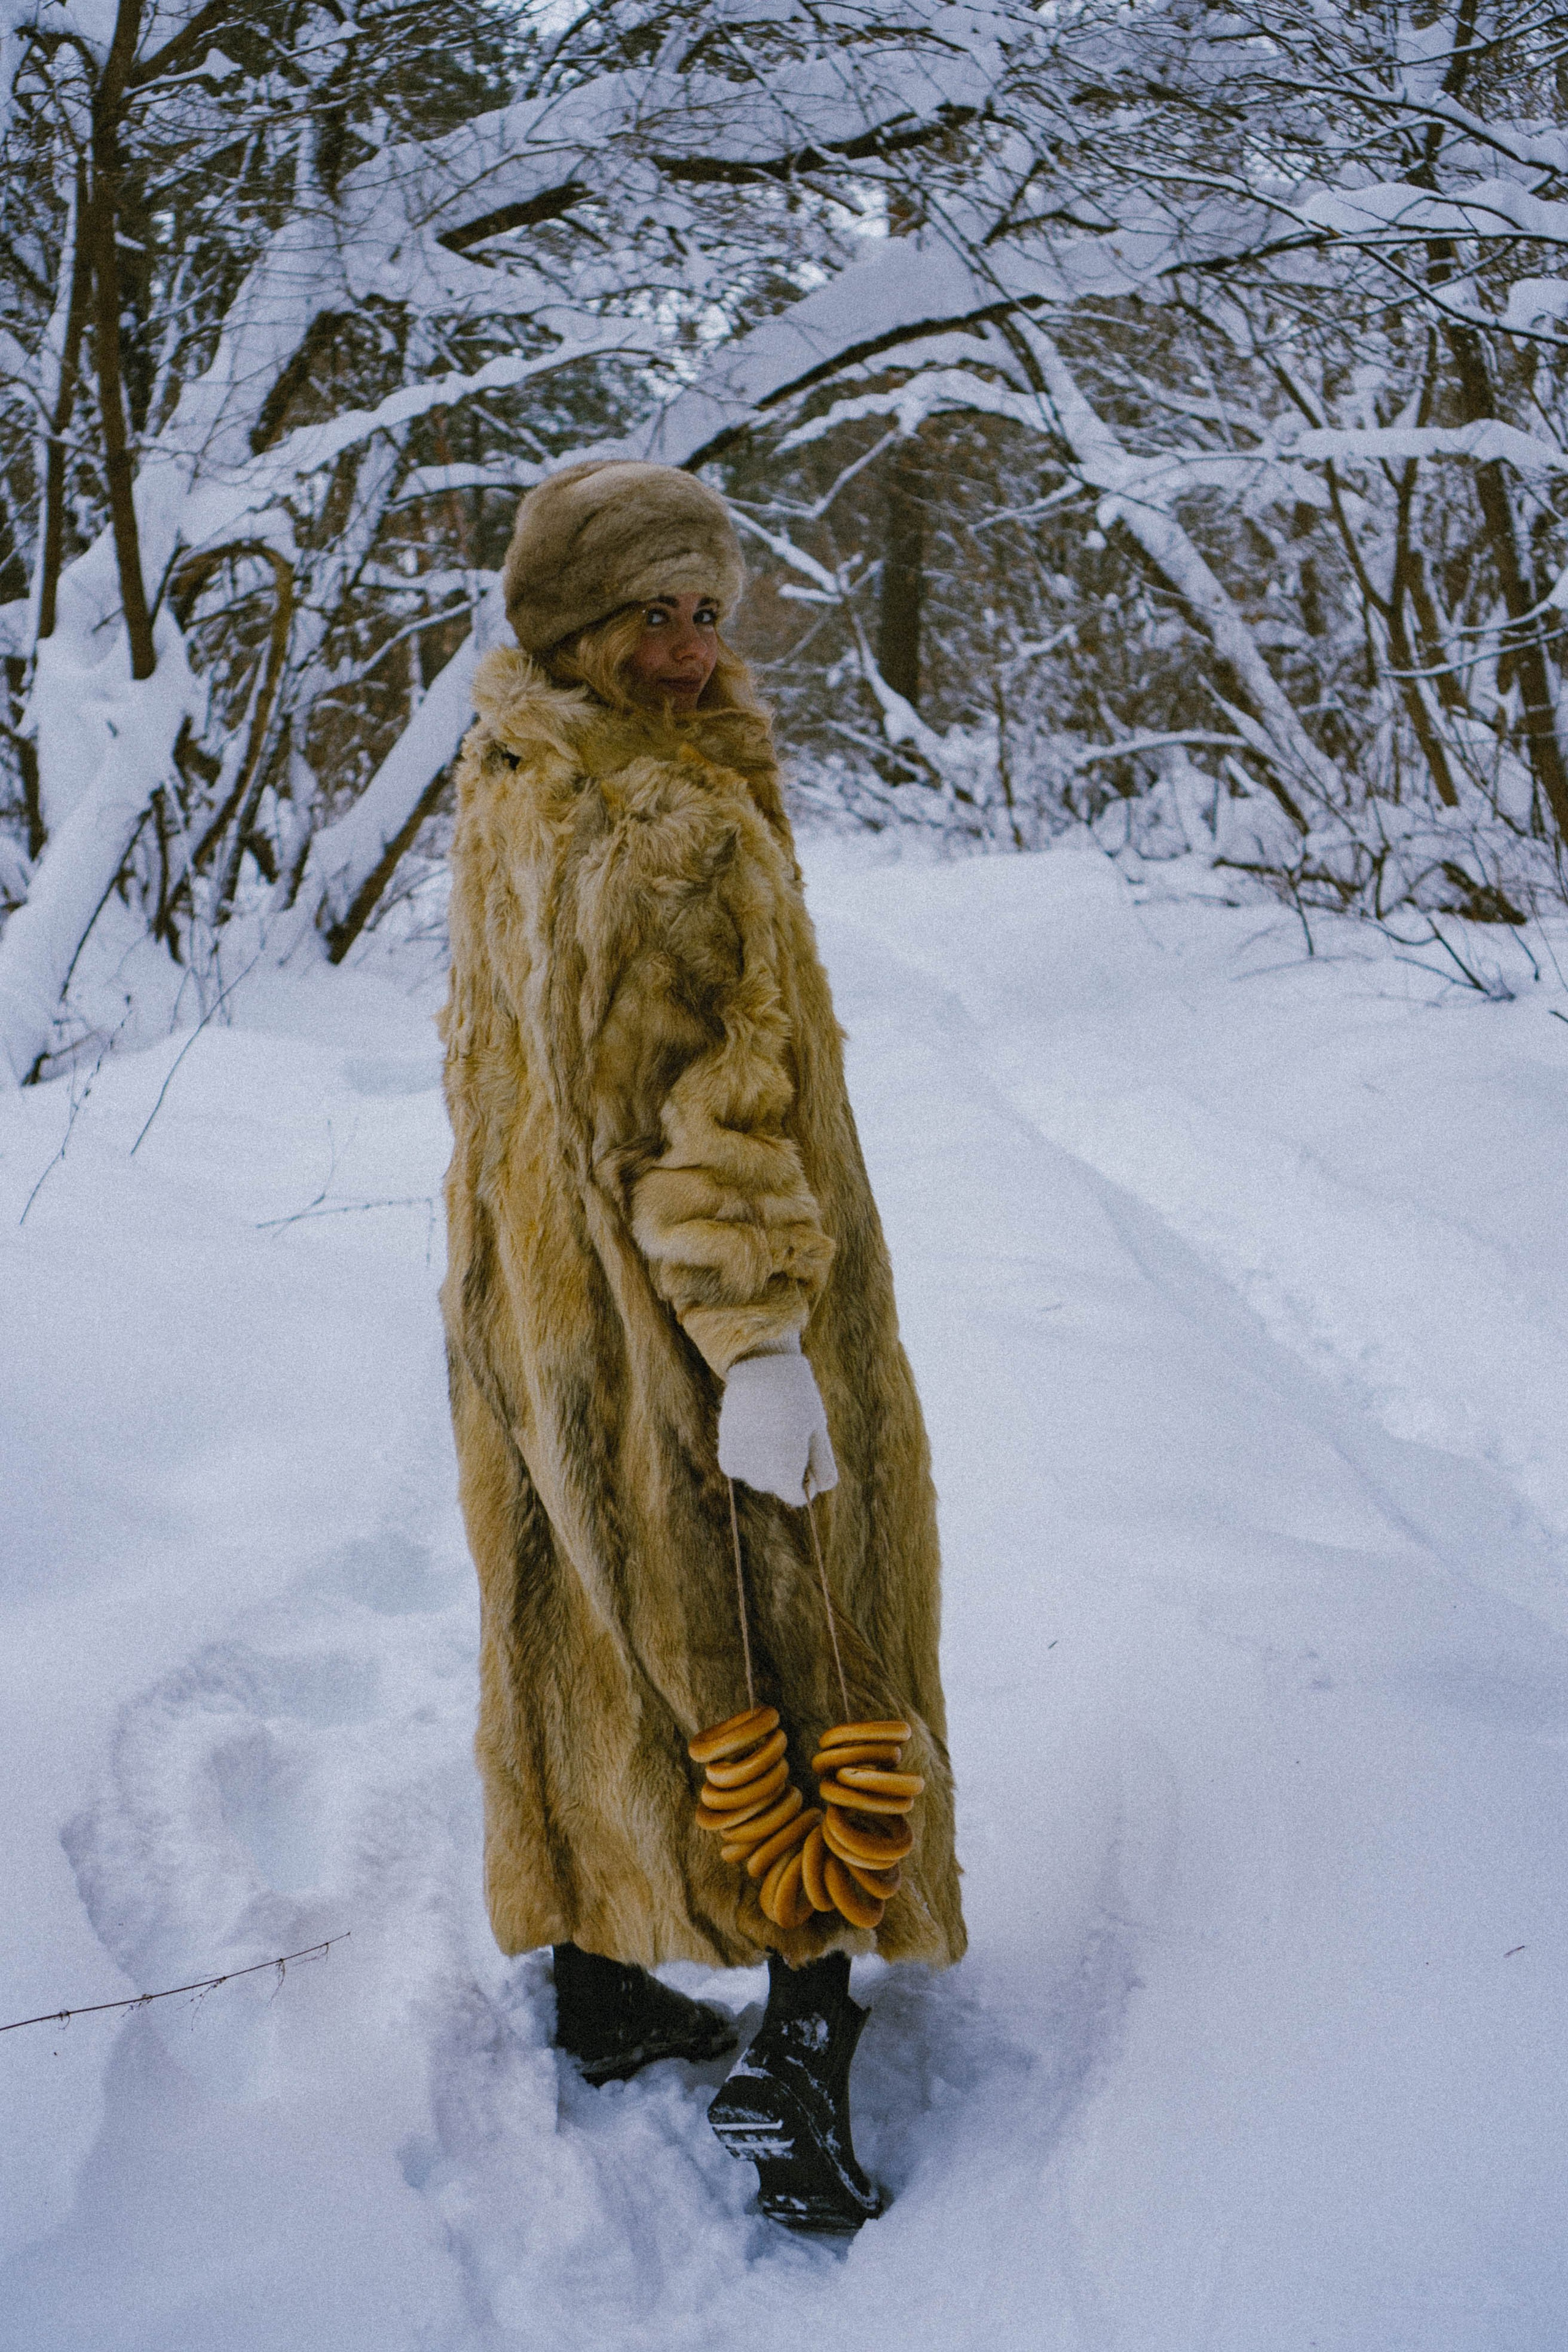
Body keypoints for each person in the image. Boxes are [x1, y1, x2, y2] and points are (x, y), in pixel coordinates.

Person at [439, 458, 965, 2234]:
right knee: (795, 1634)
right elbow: (712, 1112)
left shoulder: (516, 771)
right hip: (695, 1312)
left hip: (545, 1304)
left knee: (590, 1616)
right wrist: (760, 1343)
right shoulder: (670, 821)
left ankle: (598, 1985)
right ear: (573, 623)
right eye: (648, 614)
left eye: (706, 613)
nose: (685, 649)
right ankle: (796, 2066)